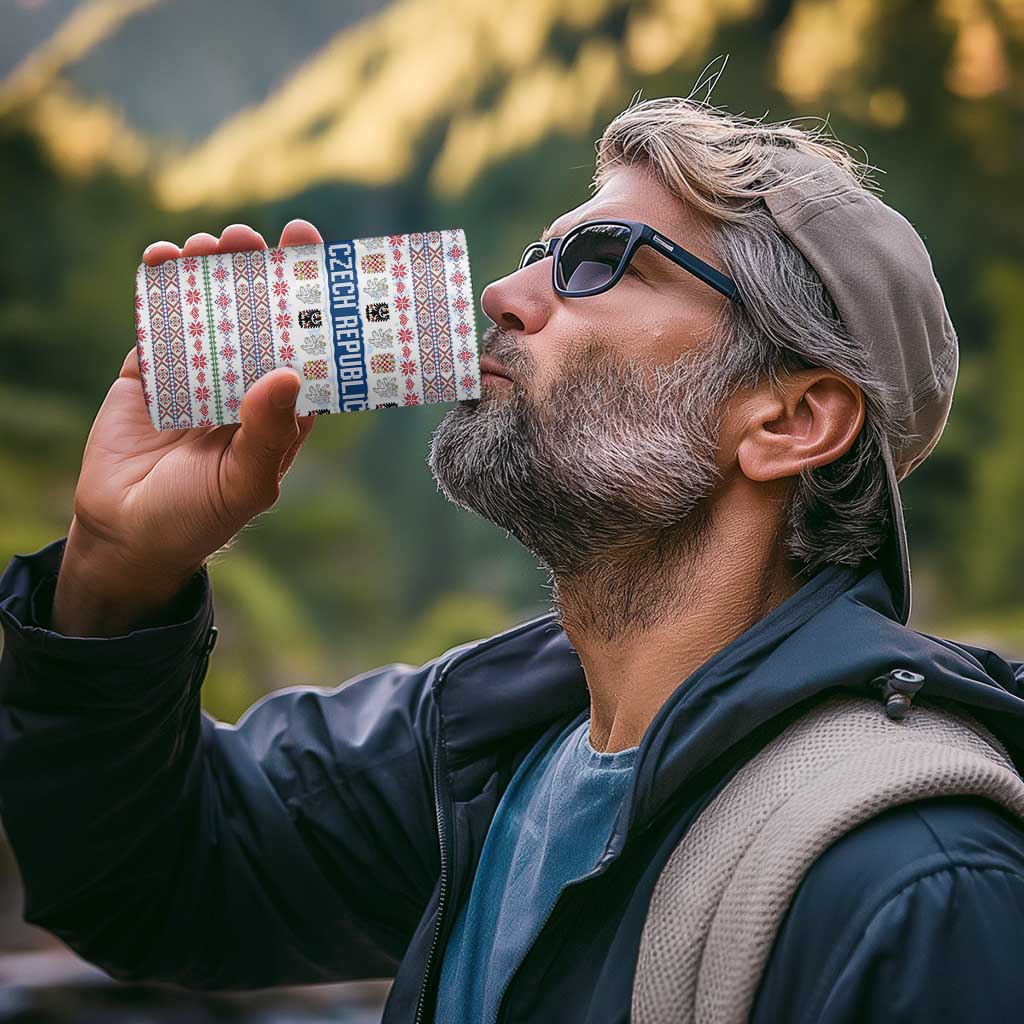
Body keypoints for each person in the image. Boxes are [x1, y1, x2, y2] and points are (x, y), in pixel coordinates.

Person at [2, 94, 1024, 1024]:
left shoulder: (918, 884)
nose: (503, 292)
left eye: (600, 261)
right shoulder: (480, 748)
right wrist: (116, 571)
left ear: (790, 419)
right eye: (540, 252)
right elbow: (148, 880)